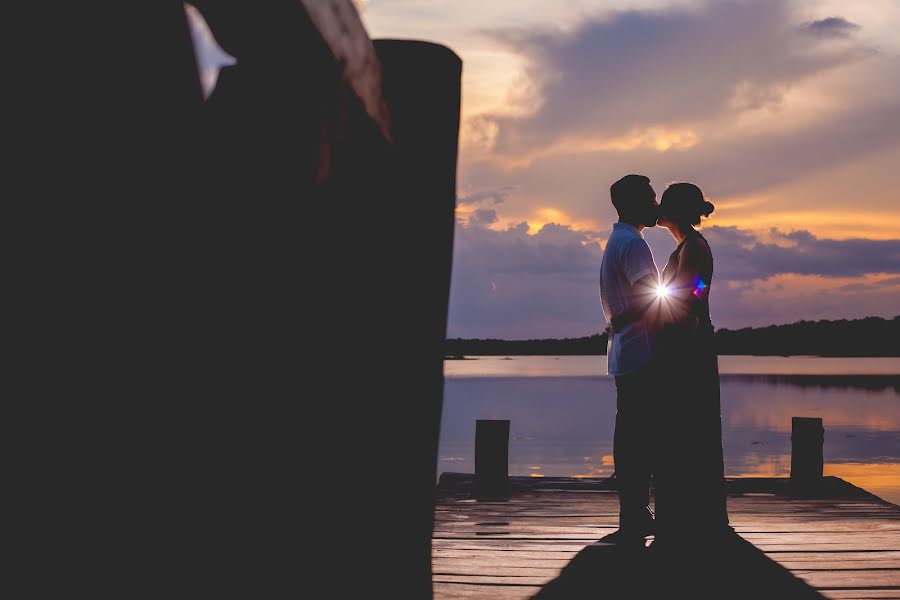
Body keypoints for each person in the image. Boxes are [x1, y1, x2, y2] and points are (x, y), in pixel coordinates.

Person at [651, 182, 733, 546]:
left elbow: (694, 293)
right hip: (685, 346)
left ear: (677, 211)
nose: (656, 208)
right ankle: (687, 511)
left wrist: (682, 320)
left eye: (663, 204)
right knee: (684, 429)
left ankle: (695, 515)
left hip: (690, 350)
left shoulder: (695, 247)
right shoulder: (686, 246)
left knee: (691, 427)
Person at [598, 174, 661, 544]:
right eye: (651, 199)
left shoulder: (617, 240)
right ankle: (636, 513)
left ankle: (635, 511)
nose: (656, 205)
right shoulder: (633, 244)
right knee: (640, 438)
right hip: (641, 353)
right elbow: (650, 298)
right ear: (636, 203)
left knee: (632, 436)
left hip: (628, 351)